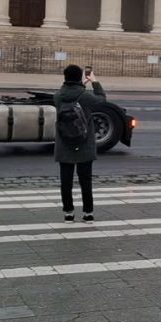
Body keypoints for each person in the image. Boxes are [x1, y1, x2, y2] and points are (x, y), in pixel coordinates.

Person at [55, 64, 107, 221]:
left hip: (64, 143)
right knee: (85, 180)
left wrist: (78, 85)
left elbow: (66, 93)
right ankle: (88, 213)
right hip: (84, 143)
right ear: (80, 77)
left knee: (66, 181)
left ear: (65, 77)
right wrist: (94, 82)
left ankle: (68, 213)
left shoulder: (58, 96)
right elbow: (102, 100)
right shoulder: (85, 97)